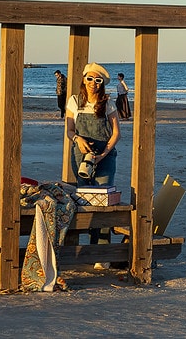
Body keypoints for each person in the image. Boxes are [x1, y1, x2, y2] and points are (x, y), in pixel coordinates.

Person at [65, 63, 121, 261]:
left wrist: (104, 154)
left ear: (102, 84)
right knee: (85, 200)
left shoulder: (108, 103)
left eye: (98, 80)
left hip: (104, 157)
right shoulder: (74, 101)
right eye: (90, 79)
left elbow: (116, 133)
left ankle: (101, 254)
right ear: (84, 79)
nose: (93, 83)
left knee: (103, 201)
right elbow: (70, 130)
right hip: (81, 156)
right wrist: (78, 140)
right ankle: (83, 250)